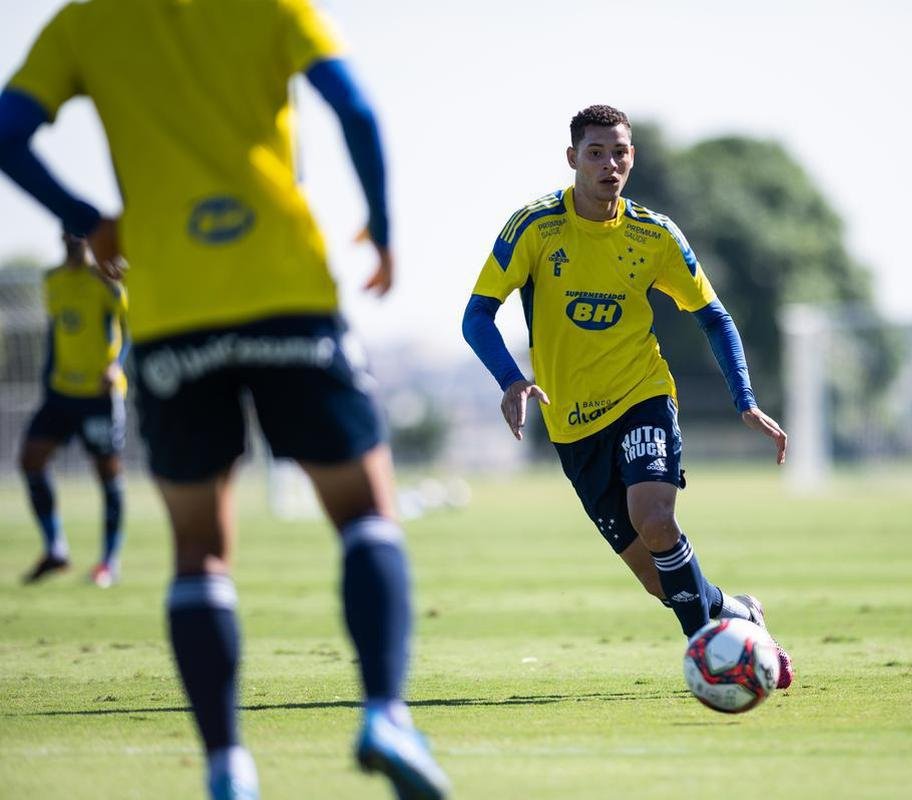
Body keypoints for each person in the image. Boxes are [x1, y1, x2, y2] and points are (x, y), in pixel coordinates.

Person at [0, 2, 449, 798]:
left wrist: (88, 222)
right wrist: (380, 225)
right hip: (286, 290)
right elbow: (355, 106)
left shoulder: (83, 23)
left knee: (199, 549)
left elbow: (6, 131)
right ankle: (384, 712)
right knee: (366, 513)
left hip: (171, 308)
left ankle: (227, 768)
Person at [462, 103, 794, 689]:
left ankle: (711, 664)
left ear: (631, 158)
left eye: (619, 153)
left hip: (642, 395)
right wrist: (511, 379)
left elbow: (713, 316)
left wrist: (744, 397)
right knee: (656, 578)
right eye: (595, 153)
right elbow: (477, 316)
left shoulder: (655, 234)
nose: (608, 165)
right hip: (572, 426)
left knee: (656, 519)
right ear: (572, 159)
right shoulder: (534, 229)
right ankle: (737, 613)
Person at [20, 232, 128, 589]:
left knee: (107, 474)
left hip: (99, 394)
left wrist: (117, 367)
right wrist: (48, 379)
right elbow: (57, 331)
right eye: (71, 237)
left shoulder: (107, 283)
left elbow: (131, 329)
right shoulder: (52, 280)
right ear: (62, 238)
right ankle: (55, 548)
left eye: (82, 238)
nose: (76, 244)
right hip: (62, 393)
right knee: (31, 459)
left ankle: (109, 563)